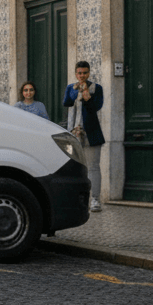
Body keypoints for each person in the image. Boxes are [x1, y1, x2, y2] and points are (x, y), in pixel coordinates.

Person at [63, 60, 105, 213]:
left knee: (93, 167)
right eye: (79, 73)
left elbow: (96, 107)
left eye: (85, 73)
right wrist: (77, 92)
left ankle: (95, 199)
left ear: (89, 73)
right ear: (76, 73)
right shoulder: (70, 88)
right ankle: (74, 198)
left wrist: (87, 96)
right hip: (72, 132)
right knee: (73, 167)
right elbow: (66, 102)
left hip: (91, 132)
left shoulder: (96, 88)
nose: (82, 76)